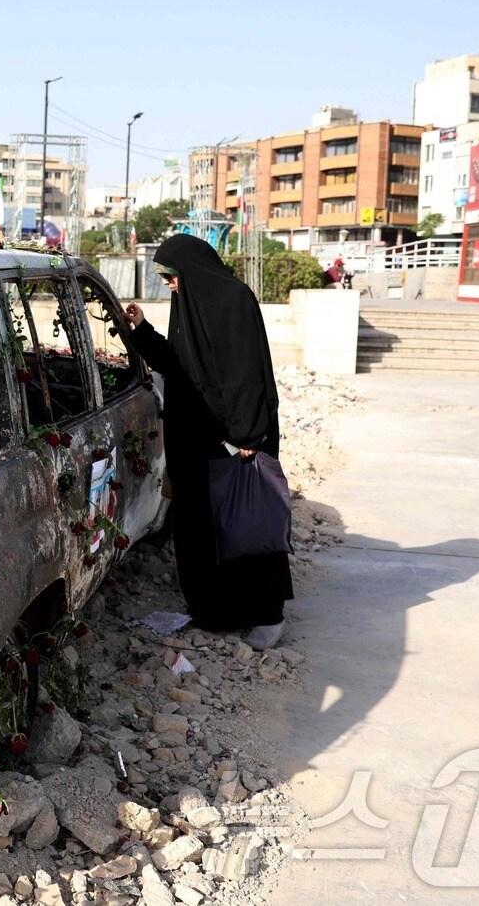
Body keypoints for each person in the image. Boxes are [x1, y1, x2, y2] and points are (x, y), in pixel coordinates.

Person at [123, 234, 292, 649]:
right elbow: (178, 366)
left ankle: (267, 615)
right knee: (202, 529)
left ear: (190, 268)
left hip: (237, 441)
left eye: (170, 275)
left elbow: (246, 374)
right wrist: (142, 331)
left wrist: (248, 435)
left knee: (247, 524)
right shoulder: (189, 306)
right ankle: (216, 612)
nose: (168, 283)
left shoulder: (233, 299)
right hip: (196, 439)